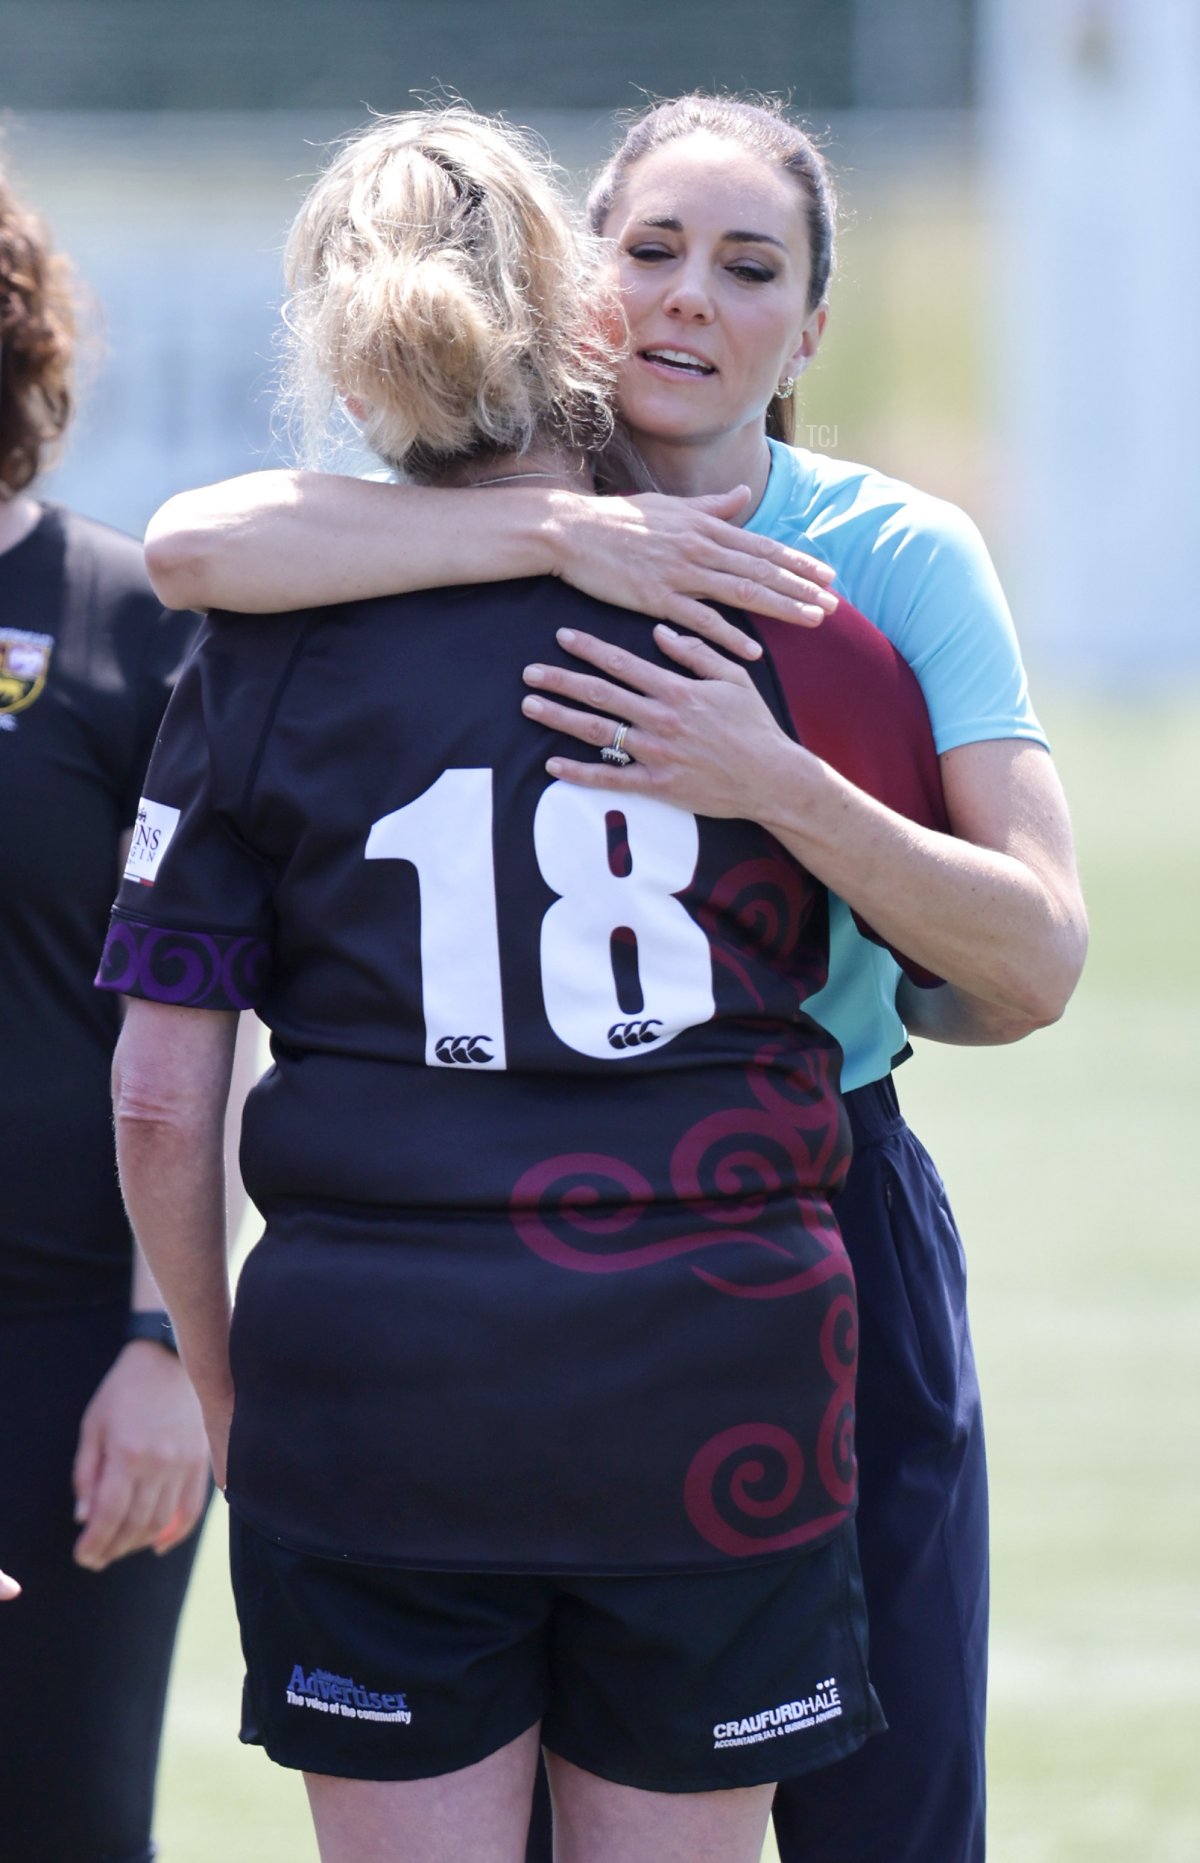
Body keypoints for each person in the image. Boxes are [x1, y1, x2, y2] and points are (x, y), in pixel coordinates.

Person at [140, 95, 1087, 1863]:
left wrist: (775, 784)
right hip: (513, 1239)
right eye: (649, 251)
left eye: (748, 271)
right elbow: (196, 545)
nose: (686, 302)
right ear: (573, 280)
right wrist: (561, 540)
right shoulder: (429, 533)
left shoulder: (872, 563)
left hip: (803, 1194)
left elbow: (1030, 959)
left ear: (809, 330)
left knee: (885, 1799)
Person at [0, 164, 210, 1862]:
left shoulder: (130, 619)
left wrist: (164, 1352)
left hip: (69, 1353)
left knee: (63, 1820)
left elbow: (200, 1020)